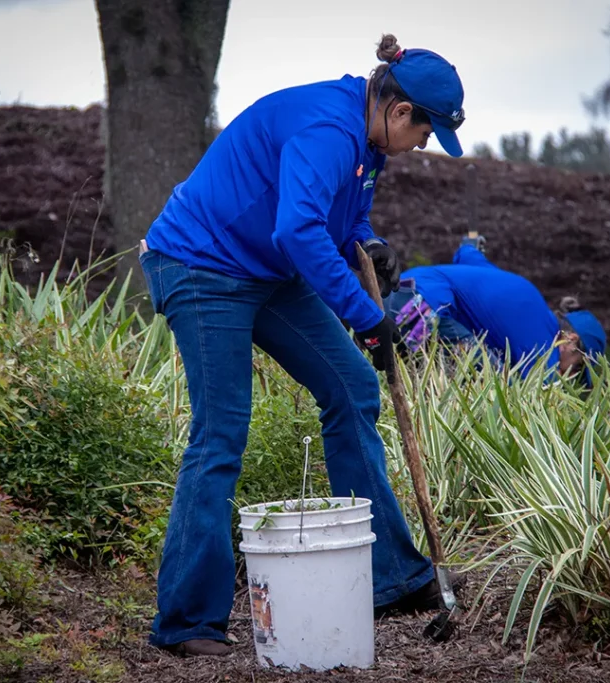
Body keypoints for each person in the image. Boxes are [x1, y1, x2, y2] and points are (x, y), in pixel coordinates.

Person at [137, 34, 467, 657]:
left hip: (264, 272)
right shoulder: (329, 130)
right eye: (426, 133)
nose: (425, 146)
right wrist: (367, 318)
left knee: (351, 386)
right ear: (400, 112)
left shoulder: (370, 142)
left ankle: (389, 577)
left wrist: (366, 243)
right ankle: (185, 621)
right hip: (201, 267)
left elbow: (337, 217)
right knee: (221, 431)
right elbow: (297, 228)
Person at [385, 233, 607, 384]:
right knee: (498, 385)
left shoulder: (528, 296)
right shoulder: (541, 338)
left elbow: (469, 256)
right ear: (570, 340)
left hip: (397, 292)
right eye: (577, 368)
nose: (568, 375)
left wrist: (470, 243)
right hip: (420, 311)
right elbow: (543, 390)